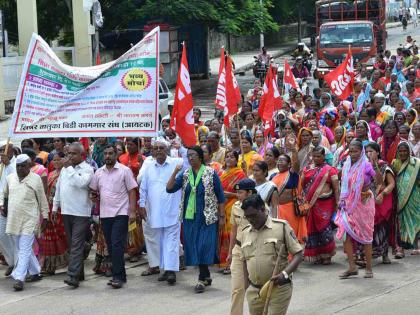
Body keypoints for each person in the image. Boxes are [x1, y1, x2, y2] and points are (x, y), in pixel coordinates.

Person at [166, 146, 226, 293]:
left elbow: (221, 197)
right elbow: (169, 188)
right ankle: (205, 276)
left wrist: (222, 216)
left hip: (207, 216)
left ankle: (202, 277)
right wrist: (175, 171)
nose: (190, 158)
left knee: (203, 246)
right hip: (190, 217)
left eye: (193, 155)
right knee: (193, 246)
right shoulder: (185, 174)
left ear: (200, 157)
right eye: (188, 156)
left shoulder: (211, 173)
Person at [239, 194, 303, 315]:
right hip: (254, 291)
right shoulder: (245, 233)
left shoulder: (281, 227)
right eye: (248, 217)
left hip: (278, 288)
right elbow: (244, 260)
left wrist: (285, 274)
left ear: (263, 209)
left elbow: (298, 254)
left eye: (253, 215)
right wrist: (246, 285)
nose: (251, 220)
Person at [90, 145, 138, 289]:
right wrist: (93, 196)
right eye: (105, 153)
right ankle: (120, 274)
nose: (107, 156)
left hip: (121, 213)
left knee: (117, 245)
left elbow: (132, 191)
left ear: (116, 154)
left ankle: (118, 277)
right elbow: (93, 190)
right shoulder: (99, 173)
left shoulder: (124, 170)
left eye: (110, 153)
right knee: (111, 247)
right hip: (105, 214)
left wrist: (133, 211)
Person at [335, 139, 383, 279]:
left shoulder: (367, 165)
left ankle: (369, 268)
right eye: (350, 151)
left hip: (364, 203)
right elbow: (343, 183)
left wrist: (375, 166)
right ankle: (352, 267)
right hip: (348, 204)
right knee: (345, 233)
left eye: (355, 151)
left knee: (366, 236)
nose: (352, 153)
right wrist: (341, 199)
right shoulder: (346, 165)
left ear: (361, 151)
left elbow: (379, 182)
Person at [0, 154, 49, 291]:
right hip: (14, 218)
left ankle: (19, 278)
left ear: (29, 166)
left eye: (23, 166)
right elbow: (5, 195)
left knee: (25, 248)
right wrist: (3, 205)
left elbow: (42, 199)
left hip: (30, 219)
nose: (20, 168)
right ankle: (35, 271)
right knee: (22, 248)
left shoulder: (36, 179)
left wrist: (45, 216)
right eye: (18, 166)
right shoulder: (10, 178)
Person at [138, 138, 183, 285]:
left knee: (172, 240)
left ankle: (171, 271)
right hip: (155, 211)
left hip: (173, 209)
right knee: (160, 241)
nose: (158, 151)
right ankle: (165, 269)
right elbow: (143, 188)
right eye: (155, 148)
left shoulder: (177, 164)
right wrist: (142, 204)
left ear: (167, 149)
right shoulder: (149, 167)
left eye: (161, 148)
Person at [52, 143, 94, 288]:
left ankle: (72, 276)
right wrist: (55, 207)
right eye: (69, 153)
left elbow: (81, 183)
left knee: (76, 244)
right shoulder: (65, 170)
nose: (70, 156)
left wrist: (69, 168)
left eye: (74, 153)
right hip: (66, 211)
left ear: (82, 155)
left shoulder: (88, 169)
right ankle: (79, 273)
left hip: (81, 212)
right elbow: (59, 188)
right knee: (73, 245)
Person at [355, 142, 396, 264]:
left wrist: (383, 194)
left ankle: (384, 253)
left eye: (371, 151)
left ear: (377, 152)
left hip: (381, 201)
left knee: (382, 227)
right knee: (367, 228)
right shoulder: (362, 166)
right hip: (367, 200)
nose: (369, 154)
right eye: (367, 152)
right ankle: (365, 255)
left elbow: (391, 184)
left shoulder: (384, 166)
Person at [301, 146, 340, 264]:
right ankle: (316, 255)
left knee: (324, 229)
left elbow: (336, 188)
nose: (316, 158)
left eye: (319, 156)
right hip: (310, 204)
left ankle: (327, 255)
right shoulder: (307, 169)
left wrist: (337, 203)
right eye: (314, 156)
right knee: (311, 229)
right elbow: (301, 185)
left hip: (325, 204)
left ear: (324, 156)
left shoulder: (330, 169)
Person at [228, 179, 256, 315]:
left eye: (240, 193)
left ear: (250, 192)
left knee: (256, 288)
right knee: (237, 289)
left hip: (255, 252)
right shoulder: (236, 206)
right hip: (238, 251)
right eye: (237, 192)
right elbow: (234, 230)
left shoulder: (262, 208)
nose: (237, 195)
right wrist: (229, 252)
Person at [272, 139, 307, 243]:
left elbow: (296, 164)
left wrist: (294, 151)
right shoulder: (274, 176)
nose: (279, 162)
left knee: (291, 236)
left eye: (282, 160)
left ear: (288, 164)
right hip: (277, 210)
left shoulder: (292, 175)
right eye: (278, 160)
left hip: (290, 210)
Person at [40, 152, 68, 274]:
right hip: (50, 208)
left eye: (58, 160)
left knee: (62, 235)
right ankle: (50, 265)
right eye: (54, 160)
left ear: (63, 160)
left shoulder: (67, 173)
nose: (56, 162)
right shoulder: (50, 174)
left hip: (62, 209)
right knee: (49, 235)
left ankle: (68, 260)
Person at [219, 150, 246, 272]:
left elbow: (244, 192)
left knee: (232, 235)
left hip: (234, 206)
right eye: (227, 157)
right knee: (223, 235)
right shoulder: (222, 173)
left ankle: (233, 264)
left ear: (236, 160)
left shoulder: (240, 174)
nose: (229, 159)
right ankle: (225, 262)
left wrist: (230, 194)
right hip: (222, 207)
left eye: (232, 157)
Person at [391, 142, 420, 256]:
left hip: (414, 197)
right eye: (400, 151)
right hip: (400, 198)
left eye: (405, 151)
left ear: (409, 151)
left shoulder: (416, 164)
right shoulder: (395, 164)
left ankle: (416, 246)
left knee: (415, 220)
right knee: (401, 222)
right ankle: (400, 249)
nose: (403, 153)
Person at [0, 143, 16, 276]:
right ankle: (11, 262)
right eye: (0, 150)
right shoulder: (1, 165)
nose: (2, 153)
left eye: (4, 149)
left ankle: (18, 264)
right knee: (2, 236)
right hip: (1, 205)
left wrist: (9, 164)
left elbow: (16, 179)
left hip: (13, 205)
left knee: (14, 236)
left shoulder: (18, 163)